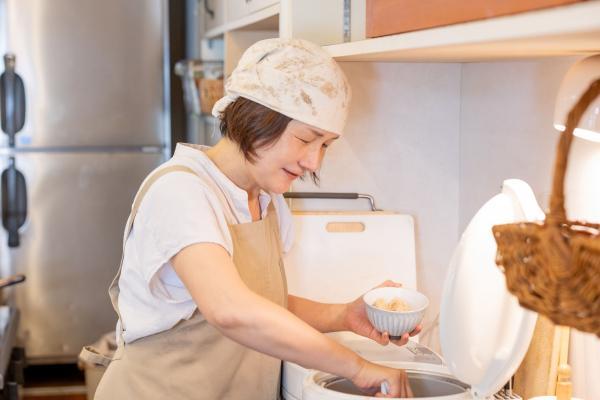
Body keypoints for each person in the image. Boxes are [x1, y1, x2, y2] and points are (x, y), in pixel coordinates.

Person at [84, 38, 420, 399]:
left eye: (325, 145)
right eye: (306, 139)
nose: (314, 162)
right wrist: (355, 366)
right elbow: (230, 309)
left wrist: (344, 316)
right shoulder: (180, 192)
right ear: (256, 118)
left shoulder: (267, 198)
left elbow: (263, 303)